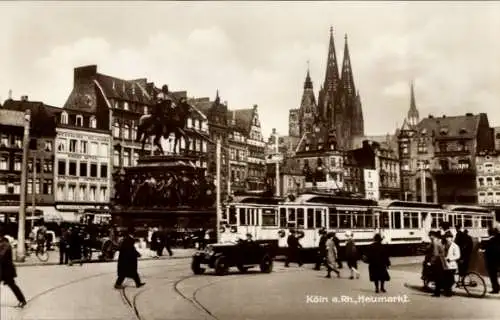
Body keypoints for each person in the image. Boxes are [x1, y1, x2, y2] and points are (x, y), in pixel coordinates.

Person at [0, 224, 27, 308]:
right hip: (3, 269)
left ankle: (22, 300)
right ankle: (22, 300)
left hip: (6, 270)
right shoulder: (2, 243)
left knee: (12, 285)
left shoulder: (5, 244)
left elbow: (1, 256)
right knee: (12, 285)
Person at [440, 231, 461, 297]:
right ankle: (447, 290)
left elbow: (458, 256)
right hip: (445, 265)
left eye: (449, 237)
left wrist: (450, 259)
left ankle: (449, 292)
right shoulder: (444, 245)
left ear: (452, 238)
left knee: (450, 279)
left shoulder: (455, 246)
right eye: (446, 237)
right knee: (446, 278)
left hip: (452, 265)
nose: (447, 239)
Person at [481, 228, 500, 294]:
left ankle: (496, 289)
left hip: (492, 261)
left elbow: (482, 247)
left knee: (493, 276)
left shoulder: (490, 240)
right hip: (497, 261)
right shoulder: (497, 239)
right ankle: (496, 288)